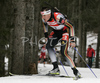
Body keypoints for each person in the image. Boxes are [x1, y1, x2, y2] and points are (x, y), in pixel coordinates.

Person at [40, 7, 81, 77]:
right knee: (48, 46)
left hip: (65, 31)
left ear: (49, 14)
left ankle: (75, 71)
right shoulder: (44, 19)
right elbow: (45, 25)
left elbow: (71, 26)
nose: (42, 17)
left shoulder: (58, 17)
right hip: (56, 32)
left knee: (63, 52)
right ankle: (56, 68)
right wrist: (46, 35)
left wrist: (72, 40)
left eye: (44, 15)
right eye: (42, 15)